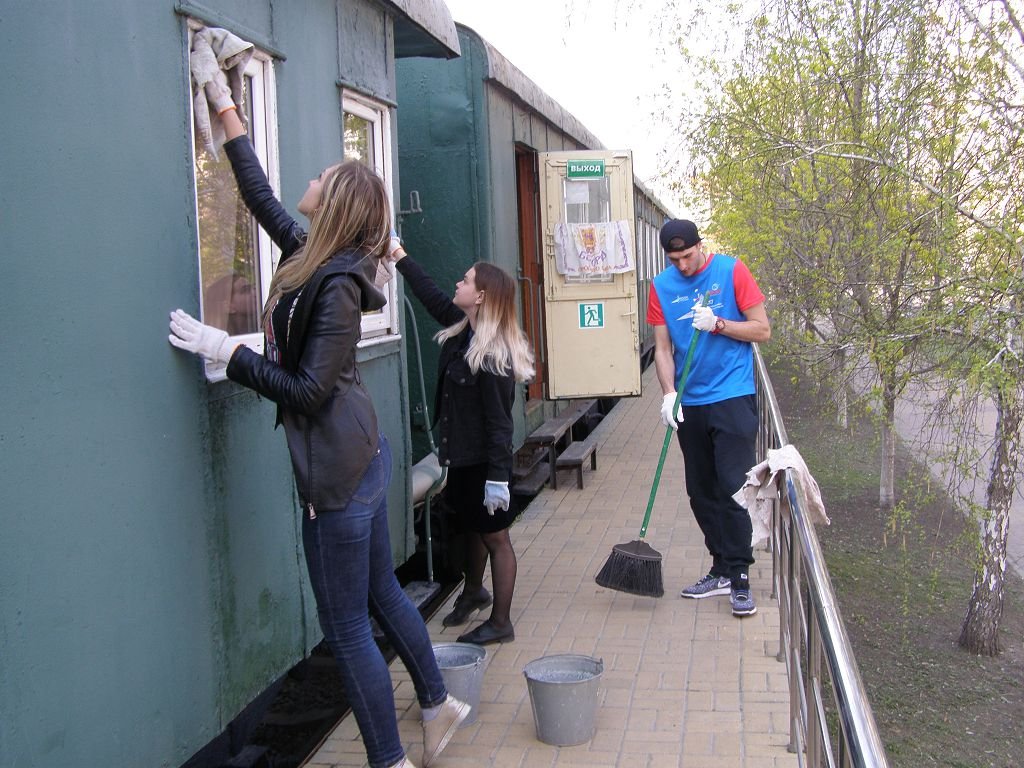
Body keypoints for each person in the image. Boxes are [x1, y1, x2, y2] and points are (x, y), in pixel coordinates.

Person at [168, 59, 467, 768]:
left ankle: (390, 759)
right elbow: (258, 194)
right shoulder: (312, 256)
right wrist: (223, 100)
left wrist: (226, 351)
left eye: (326, 175)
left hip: (338, 473)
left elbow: (306, 391)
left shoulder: (334, 286)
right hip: (359, 455)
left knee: (346, 625)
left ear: (334, 205)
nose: (314, 176)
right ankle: (438, 703)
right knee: (381, 592)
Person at [388, 241, 534, 646]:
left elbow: (500, 425)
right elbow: (431, 295)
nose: (459, 283)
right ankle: (474, 592)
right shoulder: (465, 329)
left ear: (481, 296)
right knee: (473, 525)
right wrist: (399, 254)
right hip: (464, 459)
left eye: (466, 280)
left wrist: (498, 479)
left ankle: (501, 623)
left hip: (485, 464)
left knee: (496, 538)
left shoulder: (492, 354)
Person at [647, 219, 771, 617]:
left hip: (732, 395)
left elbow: (762, 329)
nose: (682, 266)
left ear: (700, 245)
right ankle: (720, 567)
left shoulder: (731, 270)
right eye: (674, 259)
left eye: (687, 256)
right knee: (700, 491)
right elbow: (662, 349)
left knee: (732, 487)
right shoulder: (661, 287)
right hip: (691, 400)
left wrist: (718, 324)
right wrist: (669, 394)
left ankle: (740, 576)